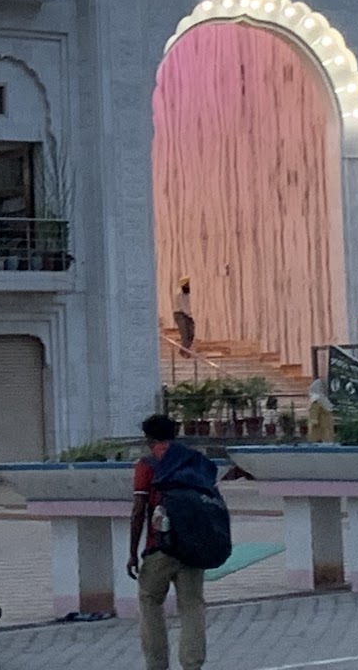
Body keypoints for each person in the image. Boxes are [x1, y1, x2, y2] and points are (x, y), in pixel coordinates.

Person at [128, 414, 206, 670]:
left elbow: (139, 510)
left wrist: (133, 551)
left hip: (159, 546)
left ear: (149, 437)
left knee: (150, 602)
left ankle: (157, 663)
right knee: (192, 606)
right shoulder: (192, 460)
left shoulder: (147, 464)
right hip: (192, 546)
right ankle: (192, 664)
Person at [172, 279, 195, 352]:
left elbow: (188, 305)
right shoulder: (179, 294)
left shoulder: (187, 294)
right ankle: (184, 351)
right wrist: (190, 314)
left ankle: (184, 350)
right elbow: (183, 306)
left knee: (191, 333)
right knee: (185, 334)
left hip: (187, 314)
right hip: (180, 314)